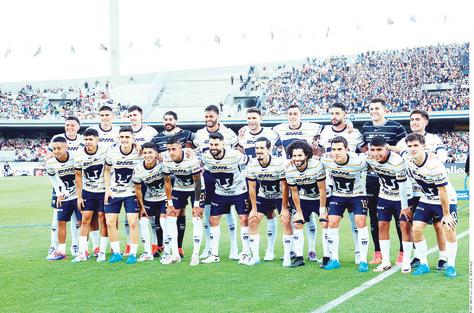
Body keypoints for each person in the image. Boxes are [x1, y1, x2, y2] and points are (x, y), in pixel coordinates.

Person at [394, 109, 449, 269]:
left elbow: (442, 154)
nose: (414, 122)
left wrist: (434, 159)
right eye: (411, 120)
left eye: (417, 119)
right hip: (414, 191)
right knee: (414, 225)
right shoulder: (405, 140)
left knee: (439, 226)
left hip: (431, 190)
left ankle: (443, 257)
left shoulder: (433, 138)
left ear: (425, 121)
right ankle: (418, 256)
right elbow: (398, 151)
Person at [273, 104, 323, 262]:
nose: (292, 116)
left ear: (300, 115)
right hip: (291, 174)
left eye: (295, 113)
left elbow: (329, 130)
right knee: (295, 215)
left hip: (308, 173)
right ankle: (293, 250)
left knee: (310, 214)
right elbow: (264, 139)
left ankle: (312, 249)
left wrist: (348, 124)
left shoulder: (312, 127)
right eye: (290, 114)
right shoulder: (278, 129)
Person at [404, 133, 458, 278]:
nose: (412, 149)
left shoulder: (434, 164)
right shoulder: (407, 160)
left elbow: (442, 191)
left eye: (416, 145)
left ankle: (451, 265)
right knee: (416, 228)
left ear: (424, 146)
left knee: (448, 228)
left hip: (446, 199)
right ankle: (424, 264)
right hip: (426, 199)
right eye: (409, 146)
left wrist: (446, 214)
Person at [360, 98, 407, 265]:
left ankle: (403, 252)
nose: (374, 111)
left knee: (398, 216)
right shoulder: (365, 127)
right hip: (373, 178)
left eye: (377, 108)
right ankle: (378, 252)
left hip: (394, 175)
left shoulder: (396, 127)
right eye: (371, 108)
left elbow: (404, 148)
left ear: (384, 110)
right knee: (375, 216)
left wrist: (387, 149)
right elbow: (364, 148)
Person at [318, 102, 364, 266]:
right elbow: (319, 152)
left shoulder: (355, 133)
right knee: (329, 221)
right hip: (333, 185)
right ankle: (329, 255)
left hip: (354, 185)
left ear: (345, 114)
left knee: (356, 221)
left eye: (337, 113)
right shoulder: (324, 132)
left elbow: (364, 152)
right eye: (332, 113)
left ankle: (359, 253)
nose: (334, 117)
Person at [193, 105, 240, 260]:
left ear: (218, 116)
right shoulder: (199, 134)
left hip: (226, 175)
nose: (208, 119)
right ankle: (209, 247)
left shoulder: (228, 133)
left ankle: (234, 247)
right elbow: (196, 153)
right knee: (208, 211)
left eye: (211, 116)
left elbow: (238, 152)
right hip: (207, 176)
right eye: (206, 117)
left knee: (228, 211)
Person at [237, 107, 281, 261]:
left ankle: (270, 250)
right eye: (248, 118)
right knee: (250, 215)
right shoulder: (243, 134)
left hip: (271, 176)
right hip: (251, 177)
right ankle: (247, 251)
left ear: (260, 119)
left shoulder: (271, 133)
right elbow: (239, 153)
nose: (251, 121)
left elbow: (281, 149)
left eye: (254, 118)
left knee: (271, 214)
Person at [321, 136, 370, 272]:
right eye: (333, 149)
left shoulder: (359, 162)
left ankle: (363, 260)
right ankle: (334, 259)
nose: (336, 152)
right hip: (339, 195)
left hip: (358, 194)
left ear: (346, 149)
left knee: (360, 223)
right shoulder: (326, 160)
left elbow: (373, 161)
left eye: (339, 149)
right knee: (332, 222)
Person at [200, 132, 250, 264]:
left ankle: (245, 252)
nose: (213, 147)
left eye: (216, 144)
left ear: (223, 144)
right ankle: (214, 254)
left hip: (239, 191)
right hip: (221, 192)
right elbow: (200, 166)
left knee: (244, 219)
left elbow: (249, 163)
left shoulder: (235, 155)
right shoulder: (206, 157)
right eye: (211, 144)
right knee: (213, 220)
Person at [366, 136, 413, 273]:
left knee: (404, 225)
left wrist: (405, 206)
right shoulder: (369, 158)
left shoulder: (397, 161)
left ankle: (406, 261)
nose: (376, 153)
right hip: (385, 196)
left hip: (402, 197)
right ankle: (385, 261)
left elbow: (403, 186)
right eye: (373, 150)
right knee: (382, 225)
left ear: (387, 148)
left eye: (379, 149)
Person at [151, 111, 195, 257]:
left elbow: (199, 144)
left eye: (170, 119)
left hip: (183, 178)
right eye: (165, 120)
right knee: (162, 212)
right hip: (165, 178)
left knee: (179, 211)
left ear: (176, 120)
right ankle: (161, 245)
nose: (168, 122)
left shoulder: (187, 134)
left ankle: (179, 247)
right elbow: (152, 152)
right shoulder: (157, 138)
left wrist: (191, 150)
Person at [161, 137, 204, 266]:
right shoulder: (166, 159)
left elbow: (197, 181)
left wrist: (196, 205)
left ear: (181, 148)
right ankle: (175, 254)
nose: (171, 152)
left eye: (174, 149)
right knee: (170, 217)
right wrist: (169, 203)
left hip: (196, 188)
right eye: (169, 149)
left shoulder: (191, 158)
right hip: (179, 187)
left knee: (196, 217)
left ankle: (195, 255)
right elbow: (167, 181)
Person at [246, 137, 289, 266]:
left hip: (280, 196)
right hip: (264, 196)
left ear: (269, 149)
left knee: (286, 221)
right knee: (252, 220)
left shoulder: (279, 163)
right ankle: (255, 257)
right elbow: (252, 187)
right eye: (257, 148)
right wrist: (253, 208)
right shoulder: (252, 164)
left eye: (261, 148)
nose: (258, 151)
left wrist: (285, 207)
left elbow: (284, 186)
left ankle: (287, 255)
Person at [103, 126, 143, 264]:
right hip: (114, 192)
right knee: (109, 222)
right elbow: (107, 170)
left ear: (133, 138)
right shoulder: (112, 152)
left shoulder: (140, 152)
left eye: (127, 137)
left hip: (131, 193)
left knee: (133, 223)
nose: (124, 140)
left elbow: (153, 155)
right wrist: (107, 188)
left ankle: (132, 254)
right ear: (118, 138)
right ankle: (116, 252)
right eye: (122, 137)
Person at [286, 140, 328, 268]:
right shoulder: (290, 170)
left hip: (320, 198)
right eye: (294, 156)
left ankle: (327, 257)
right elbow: (294, 192)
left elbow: (322, 189)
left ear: (306, 155)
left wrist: (322, 209)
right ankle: (299, 258)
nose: (297, 158)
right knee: (298, 223)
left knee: (324, 223)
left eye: (300, 155)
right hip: (304, 198)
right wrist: (298, 212)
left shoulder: (316, 166)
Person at [46, 116, 83, 260]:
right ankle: (54, 246)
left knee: (77, 219)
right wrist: (59, 191)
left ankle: (76, 245)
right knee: (57, 218)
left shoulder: (80, 141)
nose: (70, 127)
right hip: (61, 190)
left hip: (77, 190)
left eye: (73, 125)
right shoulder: (57, 138)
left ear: (78, 127)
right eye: (67, 125)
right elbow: (50, 166)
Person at [85, 105, 119, 256]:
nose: (105, 117)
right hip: (95, 178)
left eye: (107, 115)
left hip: (114, 176)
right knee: (93, 216)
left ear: (112, 116)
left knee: (112, 214)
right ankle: (96, 245)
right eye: (102, 115)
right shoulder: (92, 130)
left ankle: (114, 243)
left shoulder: (118, 131)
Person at [124, 105, 158, 256]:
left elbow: (157, 150)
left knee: (149, 213)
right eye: (130, 115)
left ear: (141, 116)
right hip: (129, 179)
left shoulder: (150, 132)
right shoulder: (125, 133)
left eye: (135, 115)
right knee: (130, 214)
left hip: (148, 177)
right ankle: (129, 243)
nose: (133, 118)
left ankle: (154, 244)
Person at [73, 128, 108, 262]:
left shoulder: (105, 150)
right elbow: (78, 175)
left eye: (90, 139)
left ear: (97, 140)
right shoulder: (79, 154)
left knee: (102, 218)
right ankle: (82, 252)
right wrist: (79, 196)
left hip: (102, 190)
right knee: (85, 219)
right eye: (86, 139)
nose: (88, 142)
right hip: (88, 191)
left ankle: (102, 252)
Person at [133, 142, 166, 262]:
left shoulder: (163, 164)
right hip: (149, 199)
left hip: (163, 198)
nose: (148, 155)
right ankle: (147, 252)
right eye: (145, 153)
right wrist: (142, 207)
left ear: (156, 154)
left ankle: (167, 252)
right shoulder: (138, 169)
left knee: (164, 221)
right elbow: (137, 189)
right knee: (143, 222)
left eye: (150, 152)